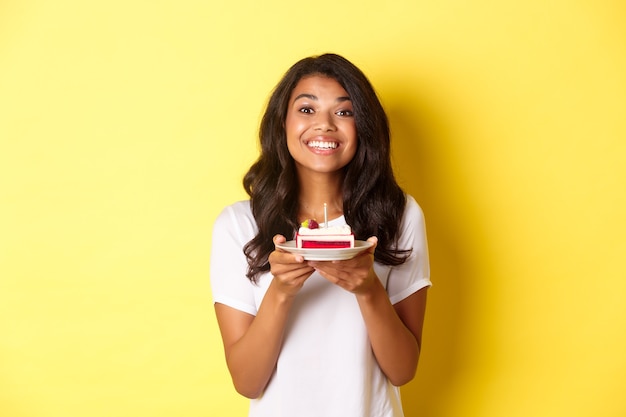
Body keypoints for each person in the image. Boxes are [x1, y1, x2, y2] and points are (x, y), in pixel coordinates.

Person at [210, 53, 431, 417]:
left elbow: (403, 370)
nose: (325, 125)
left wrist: (368, 288)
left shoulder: (399, 214)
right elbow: (247, 382)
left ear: (364, 127)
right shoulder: (238, 225)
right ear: (282, 123)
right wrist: (281, 290)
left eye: (344, 112)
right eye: (307, 110)